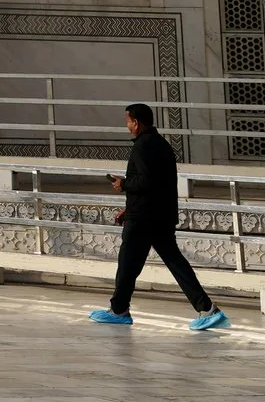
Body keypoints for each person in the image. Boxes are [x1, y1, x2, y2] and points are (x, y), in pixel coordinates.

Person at [90, 103, 229, 331]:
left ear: (136, 122)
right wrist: (128, 208)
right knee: (175, 263)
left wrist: (123, 184)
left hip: (144, 218)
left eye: (128, 121)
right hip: (158, 215)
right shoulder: (160, 144)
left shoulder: (143, 146)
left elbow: (147, 182)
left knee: (127, 264)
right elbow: (159, 184)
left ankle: (119, 310)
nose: (127, 126)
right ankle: (208, 309)